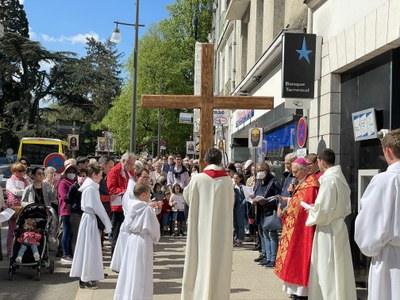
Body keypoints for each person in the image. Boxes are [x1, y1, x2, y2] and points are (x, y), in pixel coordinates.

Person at [181, 148, 234, 300]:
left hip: (200, 227)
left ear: (205, 161)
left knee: (198, 258)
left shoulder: (197, 179)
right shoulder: (227, 181)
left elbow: (187, 197)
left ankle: (197, 294)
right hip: (221, 229)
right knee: (219, 259)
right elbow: (231, 202)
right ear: (220, 162)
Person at [355, 128, 400, 300]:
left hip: (391, 258)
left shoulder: (384, 181)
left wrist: (370, 247)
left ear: (388, 151)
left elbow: (368, 224)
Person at [306, 149, 357, 300]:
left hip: (327, 229)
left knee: (327, 268)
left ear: (321, 161)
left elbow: (323, 210)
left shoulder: (329, 180)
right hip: (339, 226)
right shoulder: (340, 178)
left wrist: (311, 211)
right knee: (339, 268)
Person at [274, 158, 319, 300]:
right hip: (294, 228)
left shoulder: (311, 186)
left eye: (295, 172)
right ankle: (294, 292)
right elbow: (297, 203)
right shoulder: (301, 183)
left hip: (302, 231)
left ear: (304, 170)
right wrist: (286, 209)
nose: (293, 175)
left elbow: (308, 207)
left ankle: (301, 293)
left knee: (300, 260)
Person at [113, 184, 161, 300]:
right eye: (149, 193)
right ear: (143, 195)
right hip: (143, 240)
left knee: (130, 268)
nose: (150, 196)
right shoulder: (147, 209)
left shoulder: (130, 206)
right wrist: (156, 238)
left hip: (132, 239)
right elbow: (154, 228)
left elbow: (125, 226)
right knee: (142, 269)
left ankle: (128, 294)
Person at [70, 162, 112, 289]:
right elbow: (99, 209)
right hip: (90, 220)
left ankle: (86, 277)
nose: (101, 178)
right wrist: (107, 224)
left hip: (88, 219)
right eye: (100, 175)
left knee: (87, 249)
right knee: (89, 249)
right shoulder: (92, 189)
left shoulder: (89, 187)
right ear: (93, 175)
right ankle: (86, 278)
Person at [110, 168, 156, 273]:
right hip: (131, 228)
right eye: (144, 177)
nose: (146, 180)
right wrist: (147, 206)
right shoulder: (130, 192)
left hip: (137, 229)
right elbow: (131, 208)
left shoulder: (142, 190)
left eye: (147, 178)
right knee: (127, 262)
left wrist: (154, 207)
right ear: (136, 177)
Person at [253, 162, 282, 268]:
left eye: (262, 170)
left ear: (267, 170)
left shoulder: (273, 182)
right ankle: (267, 257)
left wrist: (268, 200)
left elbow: (279, 197)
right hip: (261, 210)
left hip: (270, 211)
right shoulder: (259, 182)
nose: (259, 172)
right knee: (264, 234)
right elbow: (256, 193)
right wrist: (253, 197)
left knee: (271, 234)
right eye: (258, 170)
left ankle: (273, 258)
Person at [106, 152, 135, 255]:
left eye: (133, 164)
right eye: (131, 164)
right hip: (117, 207)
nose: (132, 167)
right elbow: (111, 189)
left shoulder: (130, 172)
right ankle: (114, 257)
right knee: (116, 233)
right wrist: (127, 190)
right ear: (123, 161)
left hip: (128, 206)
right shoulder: (114, 172)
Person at [5, 162, 30, 257]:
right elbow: (16, 192)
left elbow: (30, 189)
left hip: (23, 206)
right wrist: (25, 191)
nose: (22, 172)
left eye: (23, 170)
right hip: (13, 208)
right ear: (14, 171)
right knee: (12, 230)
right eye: (20, 171)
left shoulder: (25, 180)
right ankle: (10, 251)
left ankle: (20, 251)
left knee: (23, 230)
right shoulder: (10, 181)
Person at [58, 163, 79, 264]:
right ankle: (65, 253)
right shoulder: (63, 183)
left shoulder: (76, 183)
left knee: (72, 234)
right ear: (66, 173)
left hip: (75, 212)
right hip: (66, 211)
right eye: (70, 172)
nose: (72, 174)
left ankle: (71, 253)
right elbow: (64, 196)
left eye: (74, 172)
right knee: (66, 233)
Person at [233, 173, 246, 247]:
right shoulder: (233, 186)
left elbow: (246, 197)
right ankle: (235, 238)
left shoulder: (242, 187)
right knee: (235, 224)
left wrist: (242, 204)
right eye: (234, 178)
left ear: (240, 179)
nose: (235, 180)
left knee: (240, 223)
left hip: (240, 206)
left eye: (236, 178)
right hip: (234, 206)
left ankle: (240, 239)